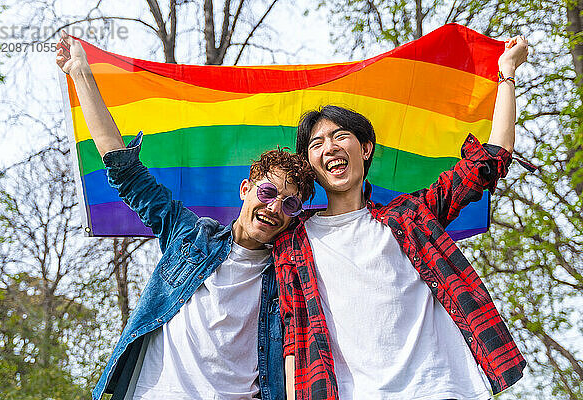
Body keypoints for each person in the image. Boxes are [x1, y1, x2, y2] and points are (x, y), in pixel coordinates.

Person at [56, 32, 315, 400]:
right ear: (246, 189)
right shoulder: (190, 238)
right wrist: (81, 73)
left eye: (290, 204)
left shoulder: (290, 274)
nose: (275, 207)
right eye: (268, 192)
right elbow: (125, 170)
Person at [273, 36, 530, 399]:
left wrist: (507, 73)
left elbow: (491, 158)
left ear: (365, 149)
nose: (329, 146)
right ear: (311, 167)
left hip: (437, 387)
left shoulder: (410, 216)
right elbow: (292, 336)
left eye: (340, 136)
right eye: (316, 144)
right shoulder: (292, 243)